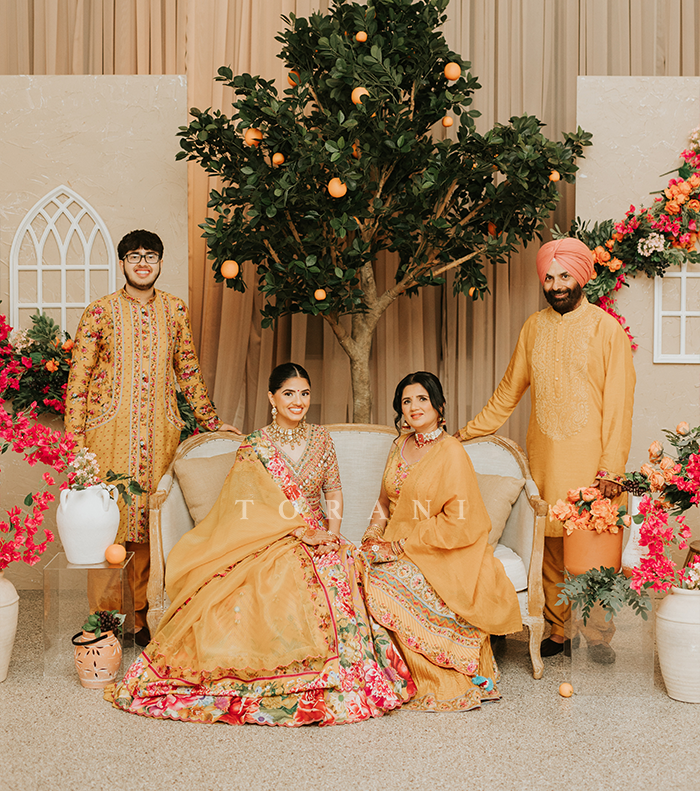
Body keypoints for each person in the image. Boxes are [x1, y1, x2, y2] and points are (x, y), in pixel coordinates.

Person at [109, 363, 414, 725]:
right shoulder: (255, 446)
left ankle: (342, 675)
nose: (298, 401)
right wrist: (299, 532)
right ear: (272, 397)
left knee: (340, 569)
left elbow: (333, 489)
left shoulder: (321, 439)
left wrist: (331, 534)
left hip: (320, 534)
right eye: (289, 393)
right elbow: (248, 507)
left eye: (304, 393)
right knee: (276, 577)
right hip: (269, 536)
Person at [459, 237, 635, 664]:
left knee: (591, 551)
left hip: (593, 462)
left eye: (565, 276)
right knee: (549, 548)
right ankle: (558, 630)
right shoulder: (533, 328)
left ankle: (597, 635)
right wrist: (464, 434)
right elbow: (507, 392)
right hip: (544, 456)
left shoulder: (606, 329)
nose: (556, 285)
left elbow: (619, 404)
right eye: (549, 277)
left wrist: (611, 469)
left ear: (582, 277)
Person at [65, 229, 238, 645]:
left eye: (151, 256)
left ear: (160, 262)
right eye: (134, 256)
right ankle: (104, 622)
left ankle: (142, 618)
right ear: (122, 262)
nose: (143, 263)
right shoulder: (99, 312)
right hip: (107, 434)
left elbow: (189, 371)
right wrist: (75, 444)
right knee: (107, 527)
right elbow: (78, 380)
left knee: (148, 525)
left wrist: (210, 421)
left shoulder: (175, 310)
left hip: (160, 432)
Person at [360, 372, 522, 712]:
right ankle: (375, 674)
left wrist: (402, 546)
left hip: (441, 550)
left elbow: (460, 521)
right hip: (394, 542)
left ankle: (431, 674)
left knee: (379, 584)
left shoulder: (451, 452)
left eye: (421, 399)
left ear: (439, 405)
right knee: (353, 573)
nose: (414, 407)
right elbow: (384, 502)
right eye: (406, 401)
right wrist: (372, 536)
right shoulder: (398, 445)